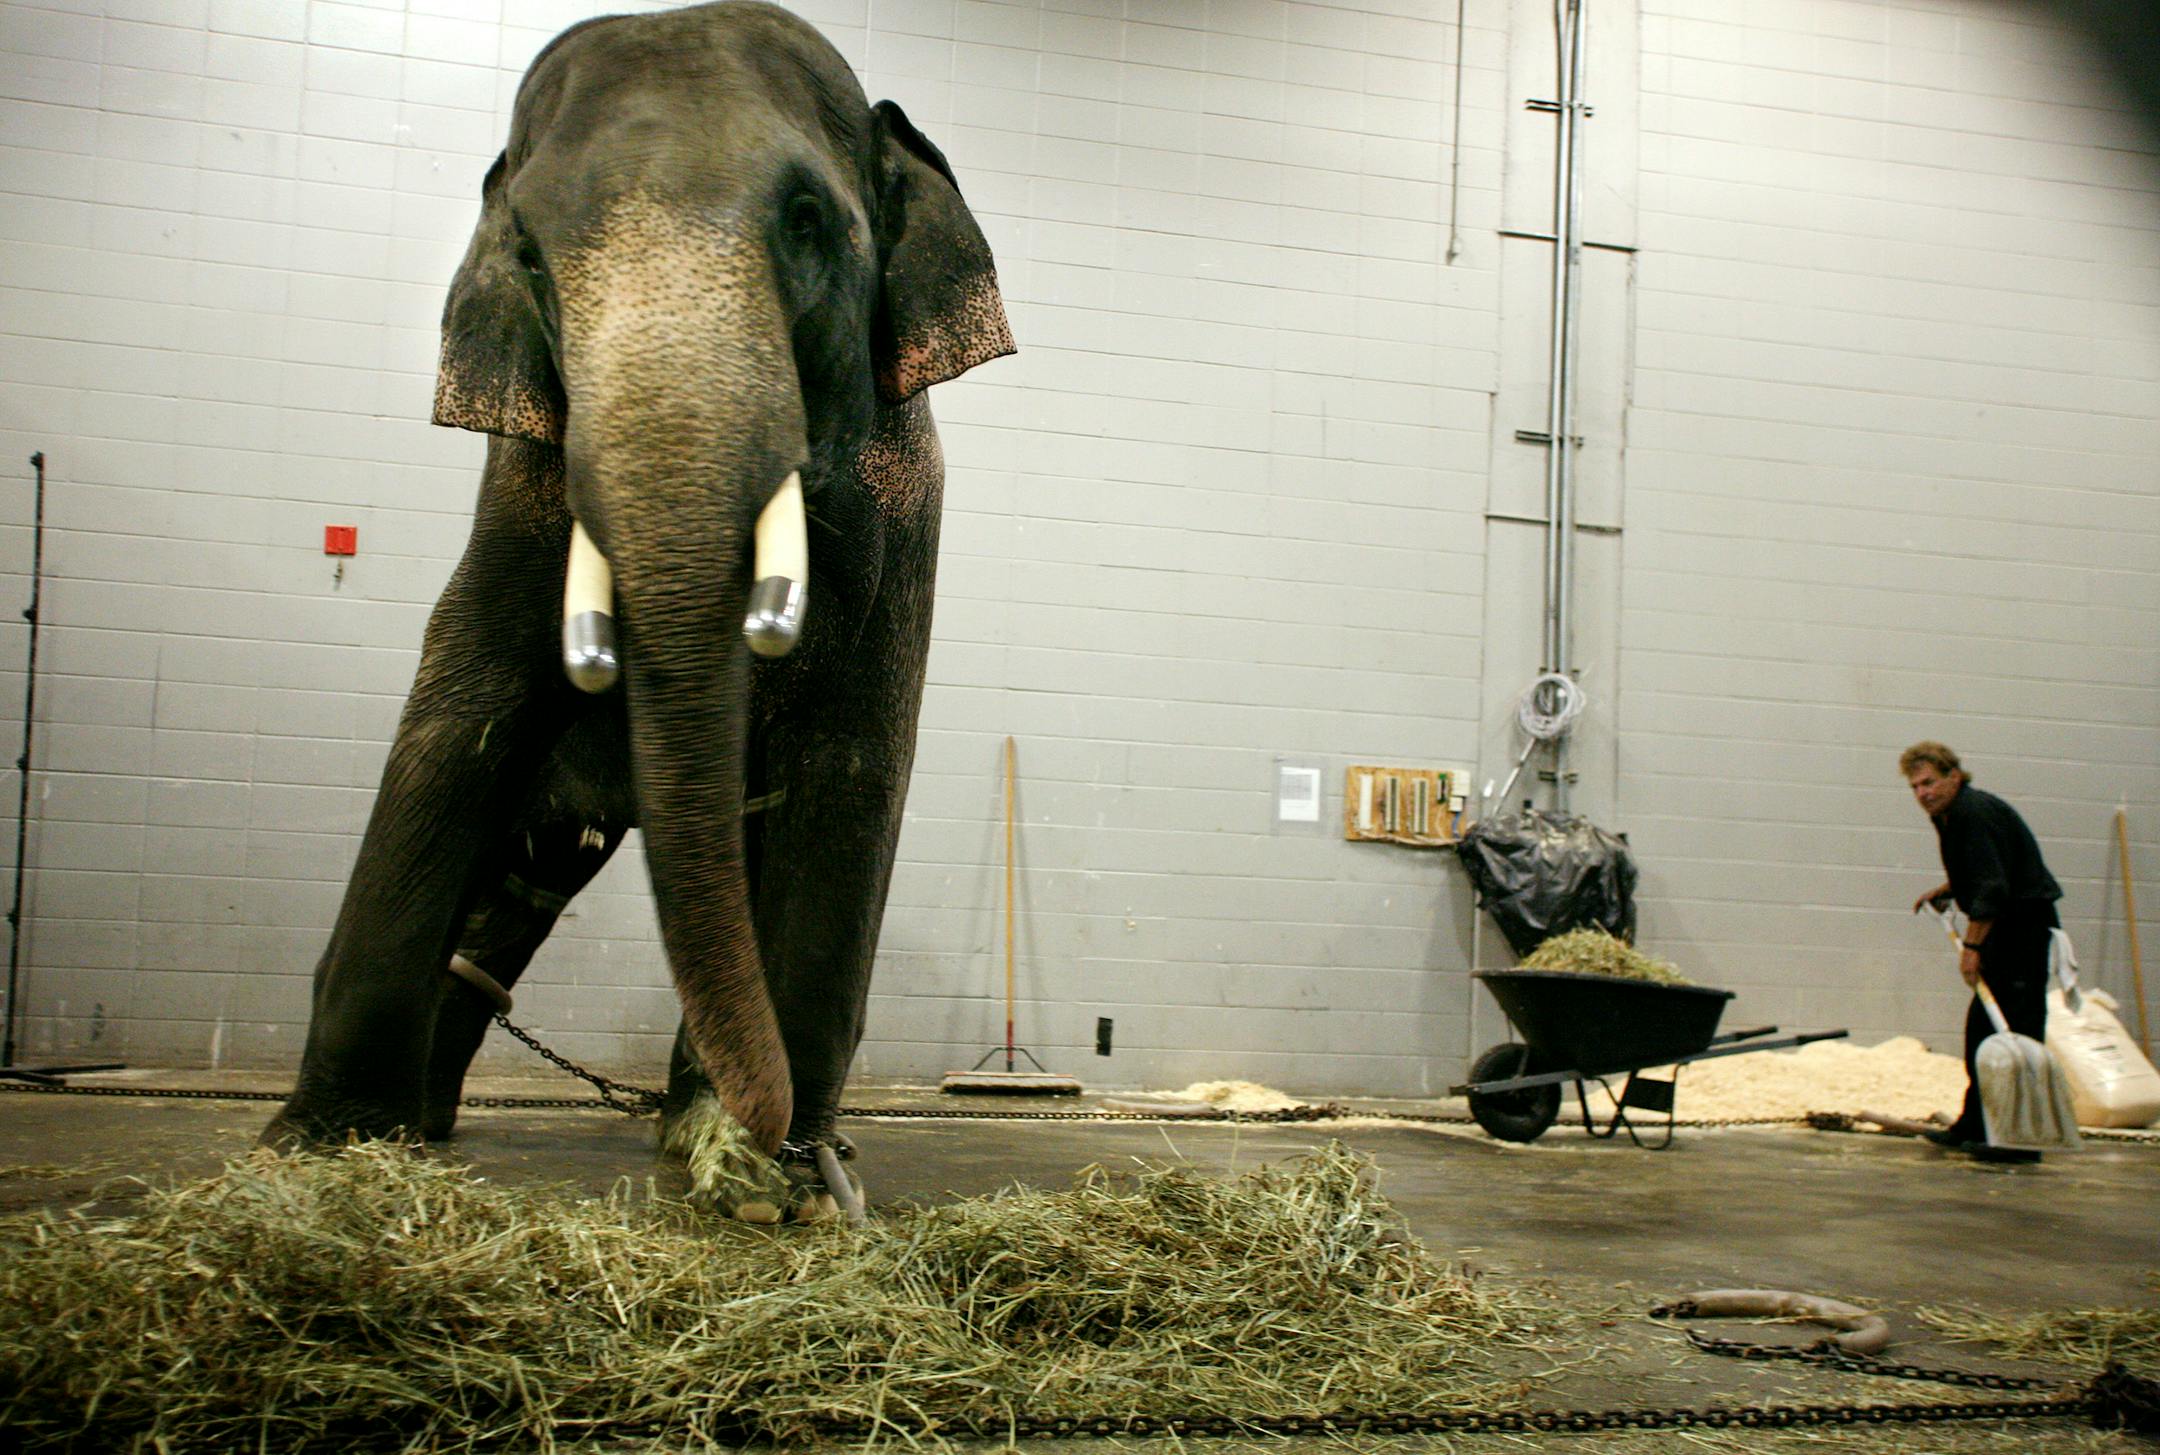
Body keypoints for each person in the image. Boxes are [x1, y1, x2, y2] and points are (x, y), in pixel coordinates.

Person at [1903, 741, 2062, 1163]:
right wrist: (1951, 889)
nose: (1923, 793)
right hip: (2003, 930)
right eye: (1915, 786)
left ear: (1954, 776)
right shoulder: (1951, 815)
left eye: (1930, 782)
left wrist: (1971, 946)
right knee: (1982, 1033)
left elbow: (1994, 887)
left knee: (2014, 1033)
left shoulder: (1973, 813)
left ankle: (2019, 1141)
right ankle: (1974, 1125)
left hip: (2020, 932)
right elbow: (1986, 869)